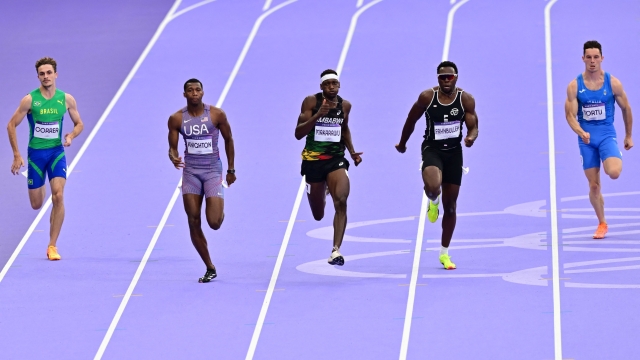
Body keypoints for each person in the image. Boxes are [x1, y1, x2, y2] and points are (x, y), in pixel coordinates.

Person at [395, 61, 478, 270]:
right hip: (432, 149)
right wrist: (403, 143)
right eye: (442, 77)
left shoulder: (465, 99)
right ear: (437, 78)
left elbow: (474, 125)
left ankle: (444, 254)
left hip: (454, 153)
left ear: (456, 77)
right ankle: (433, 201)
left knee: (450, 208)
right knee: (433, 188)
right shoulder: (427, 97)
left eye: (450, 77)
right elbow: (411, 120)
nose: (446, 80)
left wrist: (470, 137)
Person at [7, 57, 84, 261]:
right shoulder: (30, 100)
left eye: (49, 73)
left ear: (56, 74)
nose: (46, 76)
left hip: (56, 152)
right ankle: (35, 180)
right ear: (38, 76)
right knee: (36, 204)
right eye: (42, 74)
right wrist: (17, 154)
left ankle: (52, 245)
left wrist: (70, 135)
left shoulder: (66, 99)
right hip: (36, 156)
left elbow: (79, 124)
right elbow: (10, 125)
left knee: (58, 196)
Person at [167, 78, 236, 283]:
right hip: (191, 173)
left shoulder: (216, 114)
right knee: (193, 220)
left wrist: (231, 168)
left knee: (214, 223)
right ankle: (209, 266)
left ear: (203, 93)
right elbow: (172, 146)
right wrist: (172, 155)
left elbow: (228, 139)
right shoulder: (176, 119)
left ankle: (218, 206)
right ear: (185, 94)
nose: (194, 93)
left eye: (198, 90)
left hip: (213, 171)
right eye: (190, 90)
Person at [564, 40, 634, 239]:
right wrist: (581, 132)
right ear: (583, 59)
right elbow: (570, 115)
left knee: (613, 172)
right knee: (594, 186)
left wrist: (628, 135)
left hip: (606, 135)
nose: (592, 61)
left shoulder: (612, 83)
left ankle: (610, 155)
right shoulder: (574, 86)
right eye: (589, 57)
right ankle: (602, 223)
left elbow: (626, 108)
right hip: (586, 140)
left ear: (602, 58)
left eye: (596, 57)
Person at [295, 69, 362, 266]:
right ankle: (321, 190)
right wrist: (317, 116)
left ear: (339, 85)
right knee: (318, 214)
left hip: (335, 159)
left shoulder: (345, 105)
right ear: (321, 87)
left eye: (335, 83)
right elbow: (298, 134)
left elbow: (344, 129)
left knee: (341, 200)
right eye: (327, 84)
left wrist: (352, 151)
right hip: (313, 161)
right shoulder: (311, 102)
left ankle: (336, 251)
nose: (331, 87)